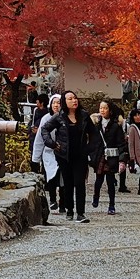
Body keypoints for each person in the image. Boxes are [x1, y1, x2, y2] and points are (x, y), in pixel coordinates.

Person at [54, 90, 92, 222]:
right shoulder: (59, 116)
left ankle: (81, 213)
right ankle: (69, 210)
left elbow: (94, 134)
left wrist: (90, 149)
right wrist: (53, 144)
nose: (74, 100)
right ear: (65, 102)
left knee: (80, 183)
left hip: (80, 155)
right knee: (68, 183)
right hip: (65, 156)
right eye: (70, 99)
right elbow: (45, 130)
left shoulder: (84, 115)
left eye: (75, 98)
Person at [89, 100, 122, 212]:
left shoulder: (116, 126)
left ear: (110, 110)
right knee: (98, 180)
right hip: (100, 156)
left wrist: (122, 159)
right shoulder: (96, 125)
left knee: (110, 181)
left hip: (111, 156)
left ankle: (111, 204)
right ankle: (96, 196)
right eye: (100, 108)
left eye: (105, 108)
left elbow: (121, 143)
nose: (102, 110)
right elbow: (92, 142)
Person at [36, 93, 65, 209]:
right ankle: (52, 199)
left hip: (63, 152)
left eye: (58, 103)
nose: (56, 105)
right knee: (51, 176)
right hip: (49, 152)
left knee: (63, 177)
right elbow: (39, 139)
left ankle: (63, 201)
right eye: (54, 103)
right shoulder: (46, 119)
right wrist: (36, 158)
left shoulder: (66, 118)